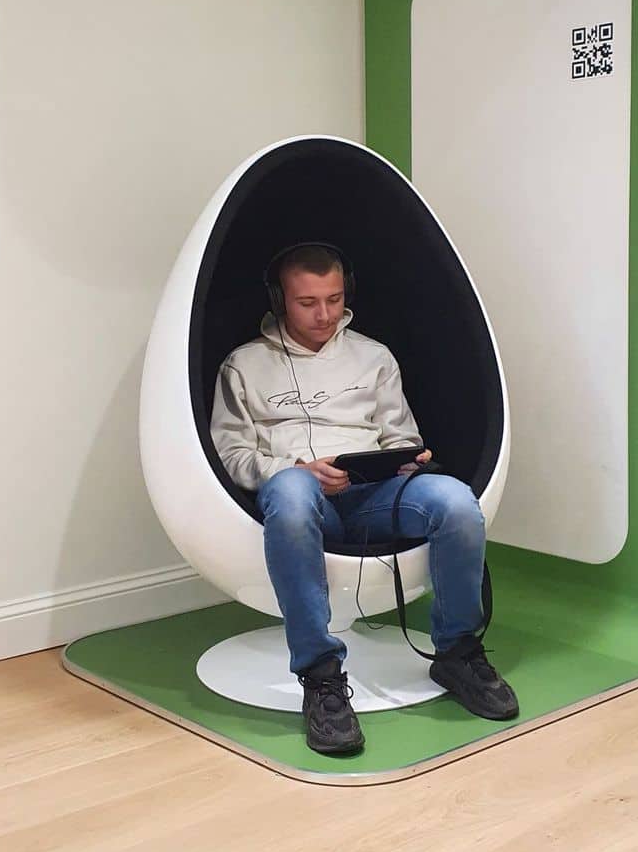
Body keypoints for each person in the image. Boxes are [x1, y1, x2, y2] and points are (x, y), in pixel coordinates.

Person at [210, 241, 518, 754]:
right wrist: (296, 469)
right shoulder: (243, 365)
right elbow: (231, 454)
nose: (325, 314)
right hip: (300, 497)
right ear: (279, 299)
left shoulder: (374, 357)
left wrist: (406, 459)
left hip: (373, 493)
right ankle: (321, 678)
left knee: (455, 501)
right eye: (308, 302)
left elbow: (399, 435)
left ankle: (459, 654)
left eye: (334, 299)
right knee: (290, 490)